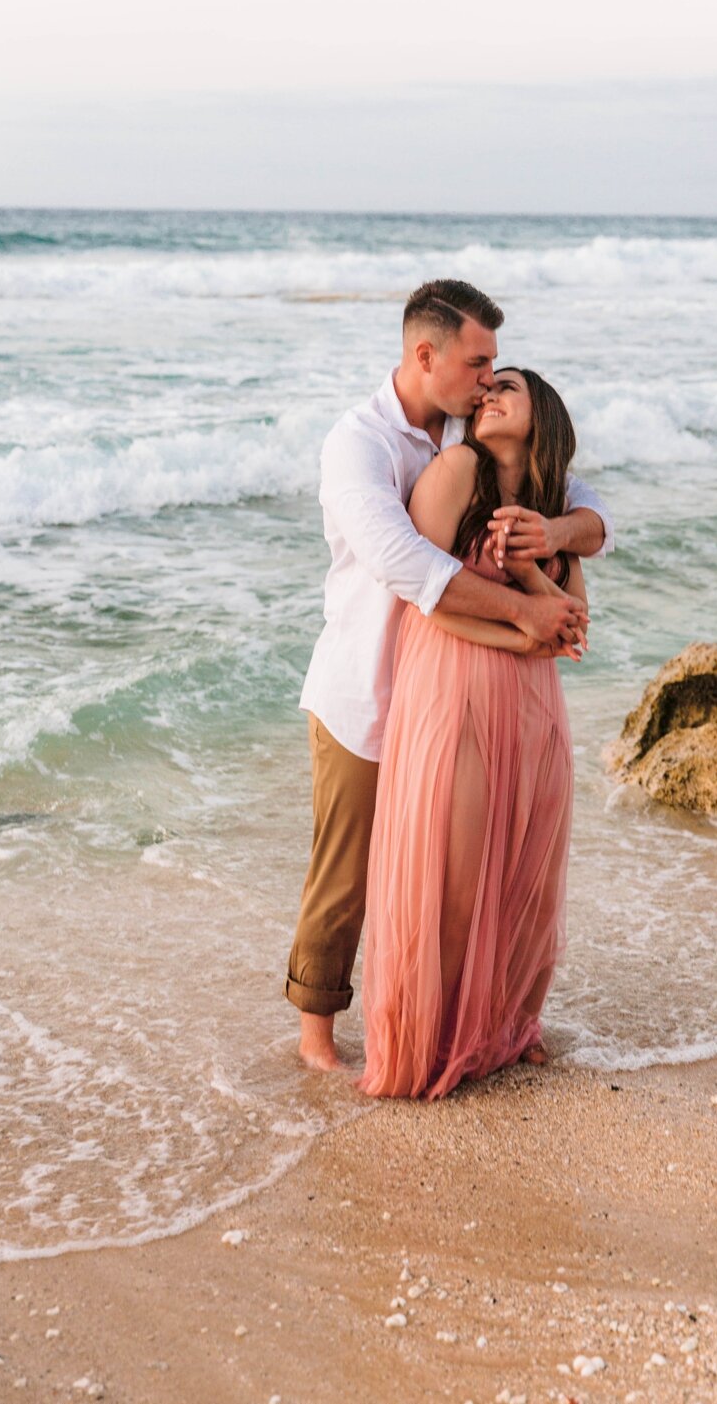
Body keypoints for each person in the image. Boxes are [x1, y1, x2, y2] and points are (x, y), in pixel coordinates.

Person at [285, 280, 610, 1071]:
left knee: (467, 866)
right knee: (351, 872)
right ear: (425, 355)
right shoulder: (358, 444)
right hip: (369, 688)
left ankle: (482, 1021)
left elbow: (587, 504)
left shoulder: (471, 436)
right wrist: (527, 619)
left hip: (454, 693)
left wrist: (555, 536)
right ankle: (317, 1037)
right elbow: (405, 564)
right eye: (479, 361)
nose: (489, 377)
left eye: (496, 367)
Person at [358, 367, 581, 1098]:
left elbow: (573, 624)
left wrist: (531, 569)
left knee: (523, 870)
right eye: (486, 385)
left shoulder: (554, 511)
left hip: (532, 701)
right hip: (454, 682)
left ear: (540, 414)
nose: (488, 394)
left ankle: (503, 1030)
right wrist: (520, 635)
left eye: (506, 386)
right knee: (453, 876)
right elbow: (420, 596)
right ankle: (432, 1043)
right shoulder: (457, 469)